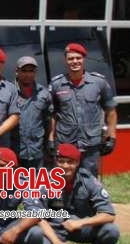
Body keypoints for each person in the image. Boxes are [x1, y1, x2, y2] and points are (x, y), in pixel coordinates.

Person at [39, 143, 119, 244]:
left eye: (70, 162)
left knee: (111, 231)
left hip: (80, 227)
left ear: (77, 162)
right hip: (54, 229)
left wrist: (80, 223)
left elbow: (109, 214)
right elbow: (37, 217)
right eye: (61, 161)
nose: (65, 166)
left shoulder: (88, 181)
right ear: (55, 161)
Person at [49, 43, 117, 176]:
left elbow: (111, 111)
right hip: (66, 141)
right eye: (71, 58)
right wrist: (51, 138)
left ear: (83, 59)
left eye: (78, 58)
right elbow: (53, 114)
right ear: (65, 60)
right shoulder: (57, 84)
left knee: (89, 178)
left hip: (91, 143)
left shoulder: (99, 82)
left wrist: (112, 136)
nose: (75, 61)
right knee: (65, 177)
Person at [12, 56, 52, 169]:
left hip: (37, 152)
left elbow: (48, 121)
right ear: (17, 71)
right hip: (14, 151)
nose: (28, 74)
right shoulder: (9, 92)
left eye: (31, 71)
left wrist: (49, 143)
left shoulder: (43, 94)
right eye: (24, 71)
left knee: (37, 181)